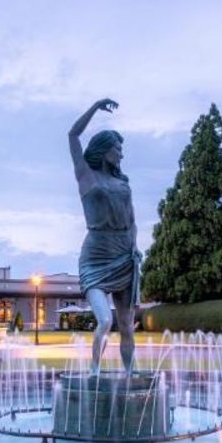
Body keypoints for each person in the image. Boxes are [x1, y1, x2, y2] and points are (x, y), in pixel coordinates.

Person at [68, 98, 140, 373]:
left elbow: (132, 220)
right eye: (117, 149)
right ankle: (95, 372)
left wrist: (134, 247)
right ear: (105, 150)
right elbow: (73, 135)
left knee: (126, 327)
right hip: (96, 255)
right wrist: (96, 107)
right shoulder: (86, 176)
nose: (121, 154)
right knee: (105, 321)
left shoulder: (122, 182)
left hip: (124, 254)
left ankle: (130, 374)